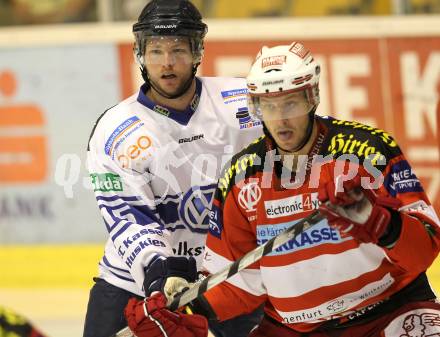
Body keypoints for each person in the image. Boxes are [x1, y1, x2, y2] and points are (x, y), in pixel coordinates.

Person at [124, 41, 440, 337]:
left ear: (312, 97)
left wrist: (378, 221)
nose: (281, 120)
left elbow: (426, 247)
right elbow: (239, 281)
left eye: (290, 103)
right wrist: (186, 310)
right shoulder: (242, 175)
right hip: (294, 330)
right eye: (269, 107)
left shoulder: (367, 151)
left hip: (392, 312)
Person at [83, 0, 262, 336]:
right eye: (155, 51)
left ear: (197, 52)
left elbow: (303, 135)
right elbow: (129, 216)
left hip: (227, 276)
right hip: (136, 282)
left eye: (178, 50)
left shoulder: (242, 102)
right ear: (140, 54)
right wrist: (159, 270)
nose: (167, 63)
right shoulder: (116, 129)